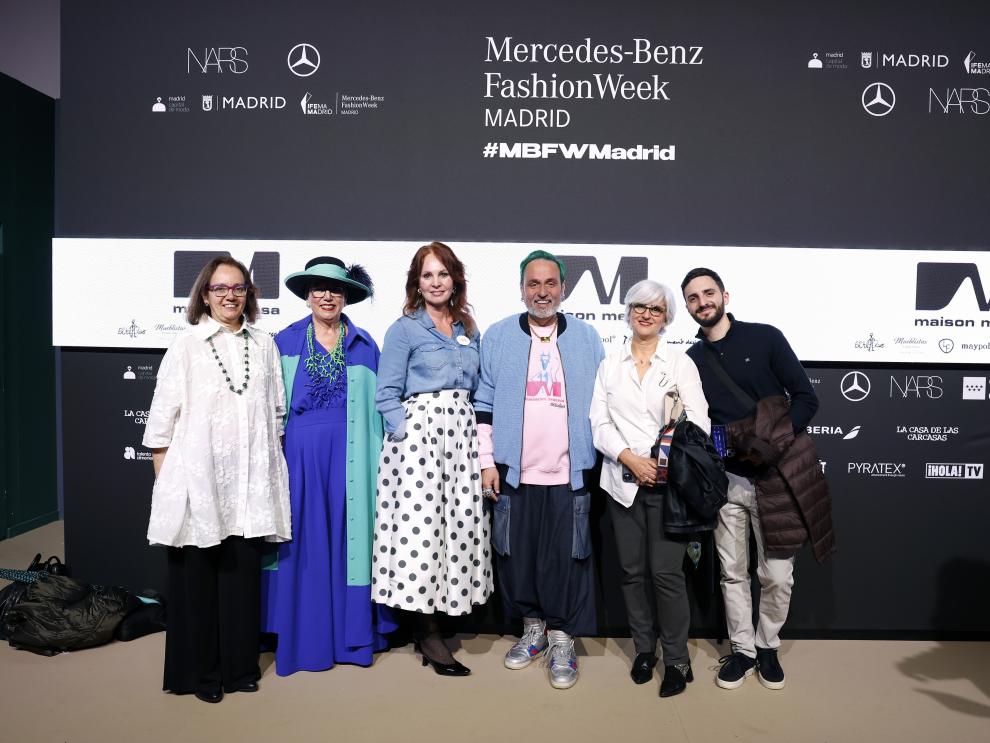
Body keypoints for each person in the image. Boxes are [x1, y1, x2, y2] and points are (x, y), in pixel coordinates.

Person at [143, 257, 291, 703]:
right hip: (199, 487)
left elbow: (276, 413)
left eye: (239, 287)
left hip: (248, 489)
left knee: (242, 580)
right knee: (199, 585)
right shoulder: (185, 345)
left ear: (249, 294)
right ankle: (202, 675)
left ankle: (241, 667)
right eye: (220, 288)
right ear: (204, 294)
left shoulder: (264, 344)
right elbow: (160, 427)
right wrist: (171, 489)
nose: (230, 295)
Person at [680, 267, 835, 691]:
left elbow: (806, 397)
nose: (702, 302)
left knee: (777, 574)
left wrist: (775, 442)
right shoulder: (691, 360)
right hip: (727, 482)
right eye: (693, 298)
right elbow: (698, 419)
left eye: (708, 293)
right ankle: (743, 650)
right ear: (688, 308)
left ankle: (768, 644)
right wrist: (720, 449)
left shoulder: (765, 337)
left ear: (724, 295)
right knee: (732, 573)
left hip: (776, 476)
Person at [475, 249, 604, 690]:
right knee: (518, 558)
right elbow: (484, 403)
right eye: (534, 284)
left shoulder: (587, 338)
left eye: (550, 284)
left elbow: (603, 405)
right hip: (515, 473)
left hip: (570, 473)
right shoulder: (497, 336)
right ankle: (533, 632)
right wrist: (486, 460)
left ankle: (562, 638)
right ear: (522, 289)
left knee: (566, 560)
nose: (542, 292)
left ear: (563, 288)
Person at [260, 257, 396, 676]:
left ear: (346, 296)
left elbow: (380, 411)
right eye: (318, 287)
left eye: (335, 289)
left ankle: (351, 638)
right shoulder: (281, 342)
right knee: (303, 546)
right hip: (298, 460)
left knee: (349, 543)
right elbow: (268, 411)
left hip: (354, 459)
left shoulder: (365, 344)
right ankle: (307, 638)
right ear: (306, 295)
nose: (327, 295)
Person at [373, 242, 492, 676]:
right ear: (416, 284)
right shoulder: (404, 329)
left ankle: (443, 613)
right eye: (428, 275)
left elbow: (479, 389)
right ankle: (427, 633)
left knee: (456, 525)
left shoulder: (468, 327)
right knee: (421, 532)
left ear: (455, 279)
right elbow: (385, 393)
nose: (436, 282)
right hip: (419, 444)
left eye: (443, 274)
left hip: (460, 440)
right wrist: (407, 432)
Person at [589, 279, 711, 698]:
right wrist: (629, 457)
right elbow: (599, 423)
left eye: (655, 309)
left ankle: (677, 658)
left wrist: (658, 462)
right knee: (630, 572)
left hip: (668, 488)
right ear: (627, 311)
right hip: (623, 483)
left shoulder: (680, 363)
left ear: (666, 318)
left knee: (666, 573)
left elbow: (697, 424)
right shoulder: (610, 365)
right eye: (639, 306)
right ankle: (645, 650)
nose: (646, 314)